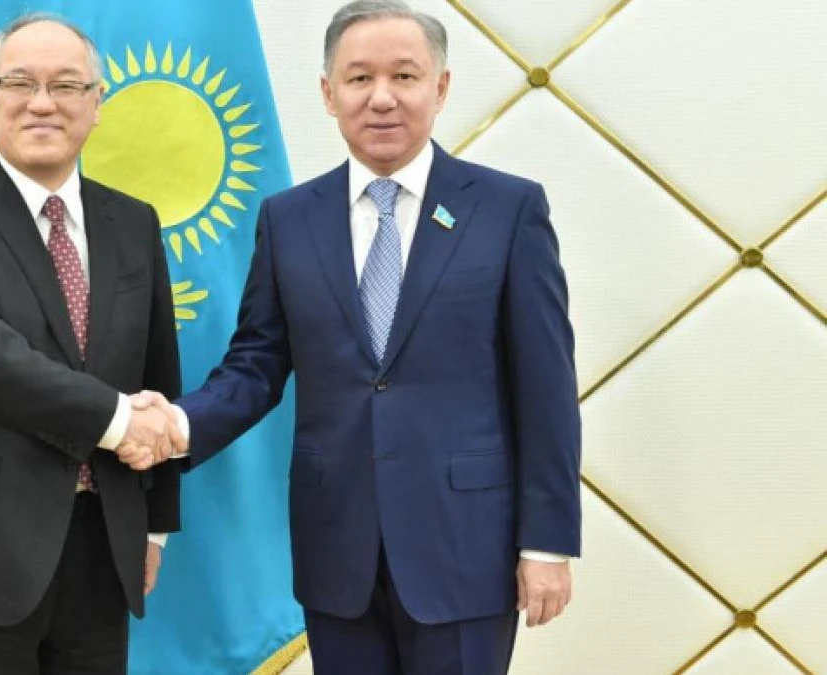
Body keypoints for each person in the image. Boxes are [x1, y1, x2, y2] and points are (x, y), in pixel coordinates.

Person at [127, 1, 581, 672]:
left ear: (441, 87)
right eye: (360, 78)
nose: (382, 98)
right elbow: (256, 365)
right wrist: (177, 426)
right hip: (338, 549)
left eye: (405, 76)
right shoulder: (288, 219)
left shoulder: (508, 210)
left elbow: (546, 389)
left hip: (466, 549)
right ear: (328, 93)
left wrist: (546, 543)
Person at [0, 14, 185, 675]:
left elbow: (158, 369)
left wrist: (153, 525)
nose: (42, 103)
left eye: (66, 85)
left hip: (103, 548)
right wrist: (120, 420)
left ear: (96, 104)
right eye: (20, 83)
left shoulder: (133, 222)